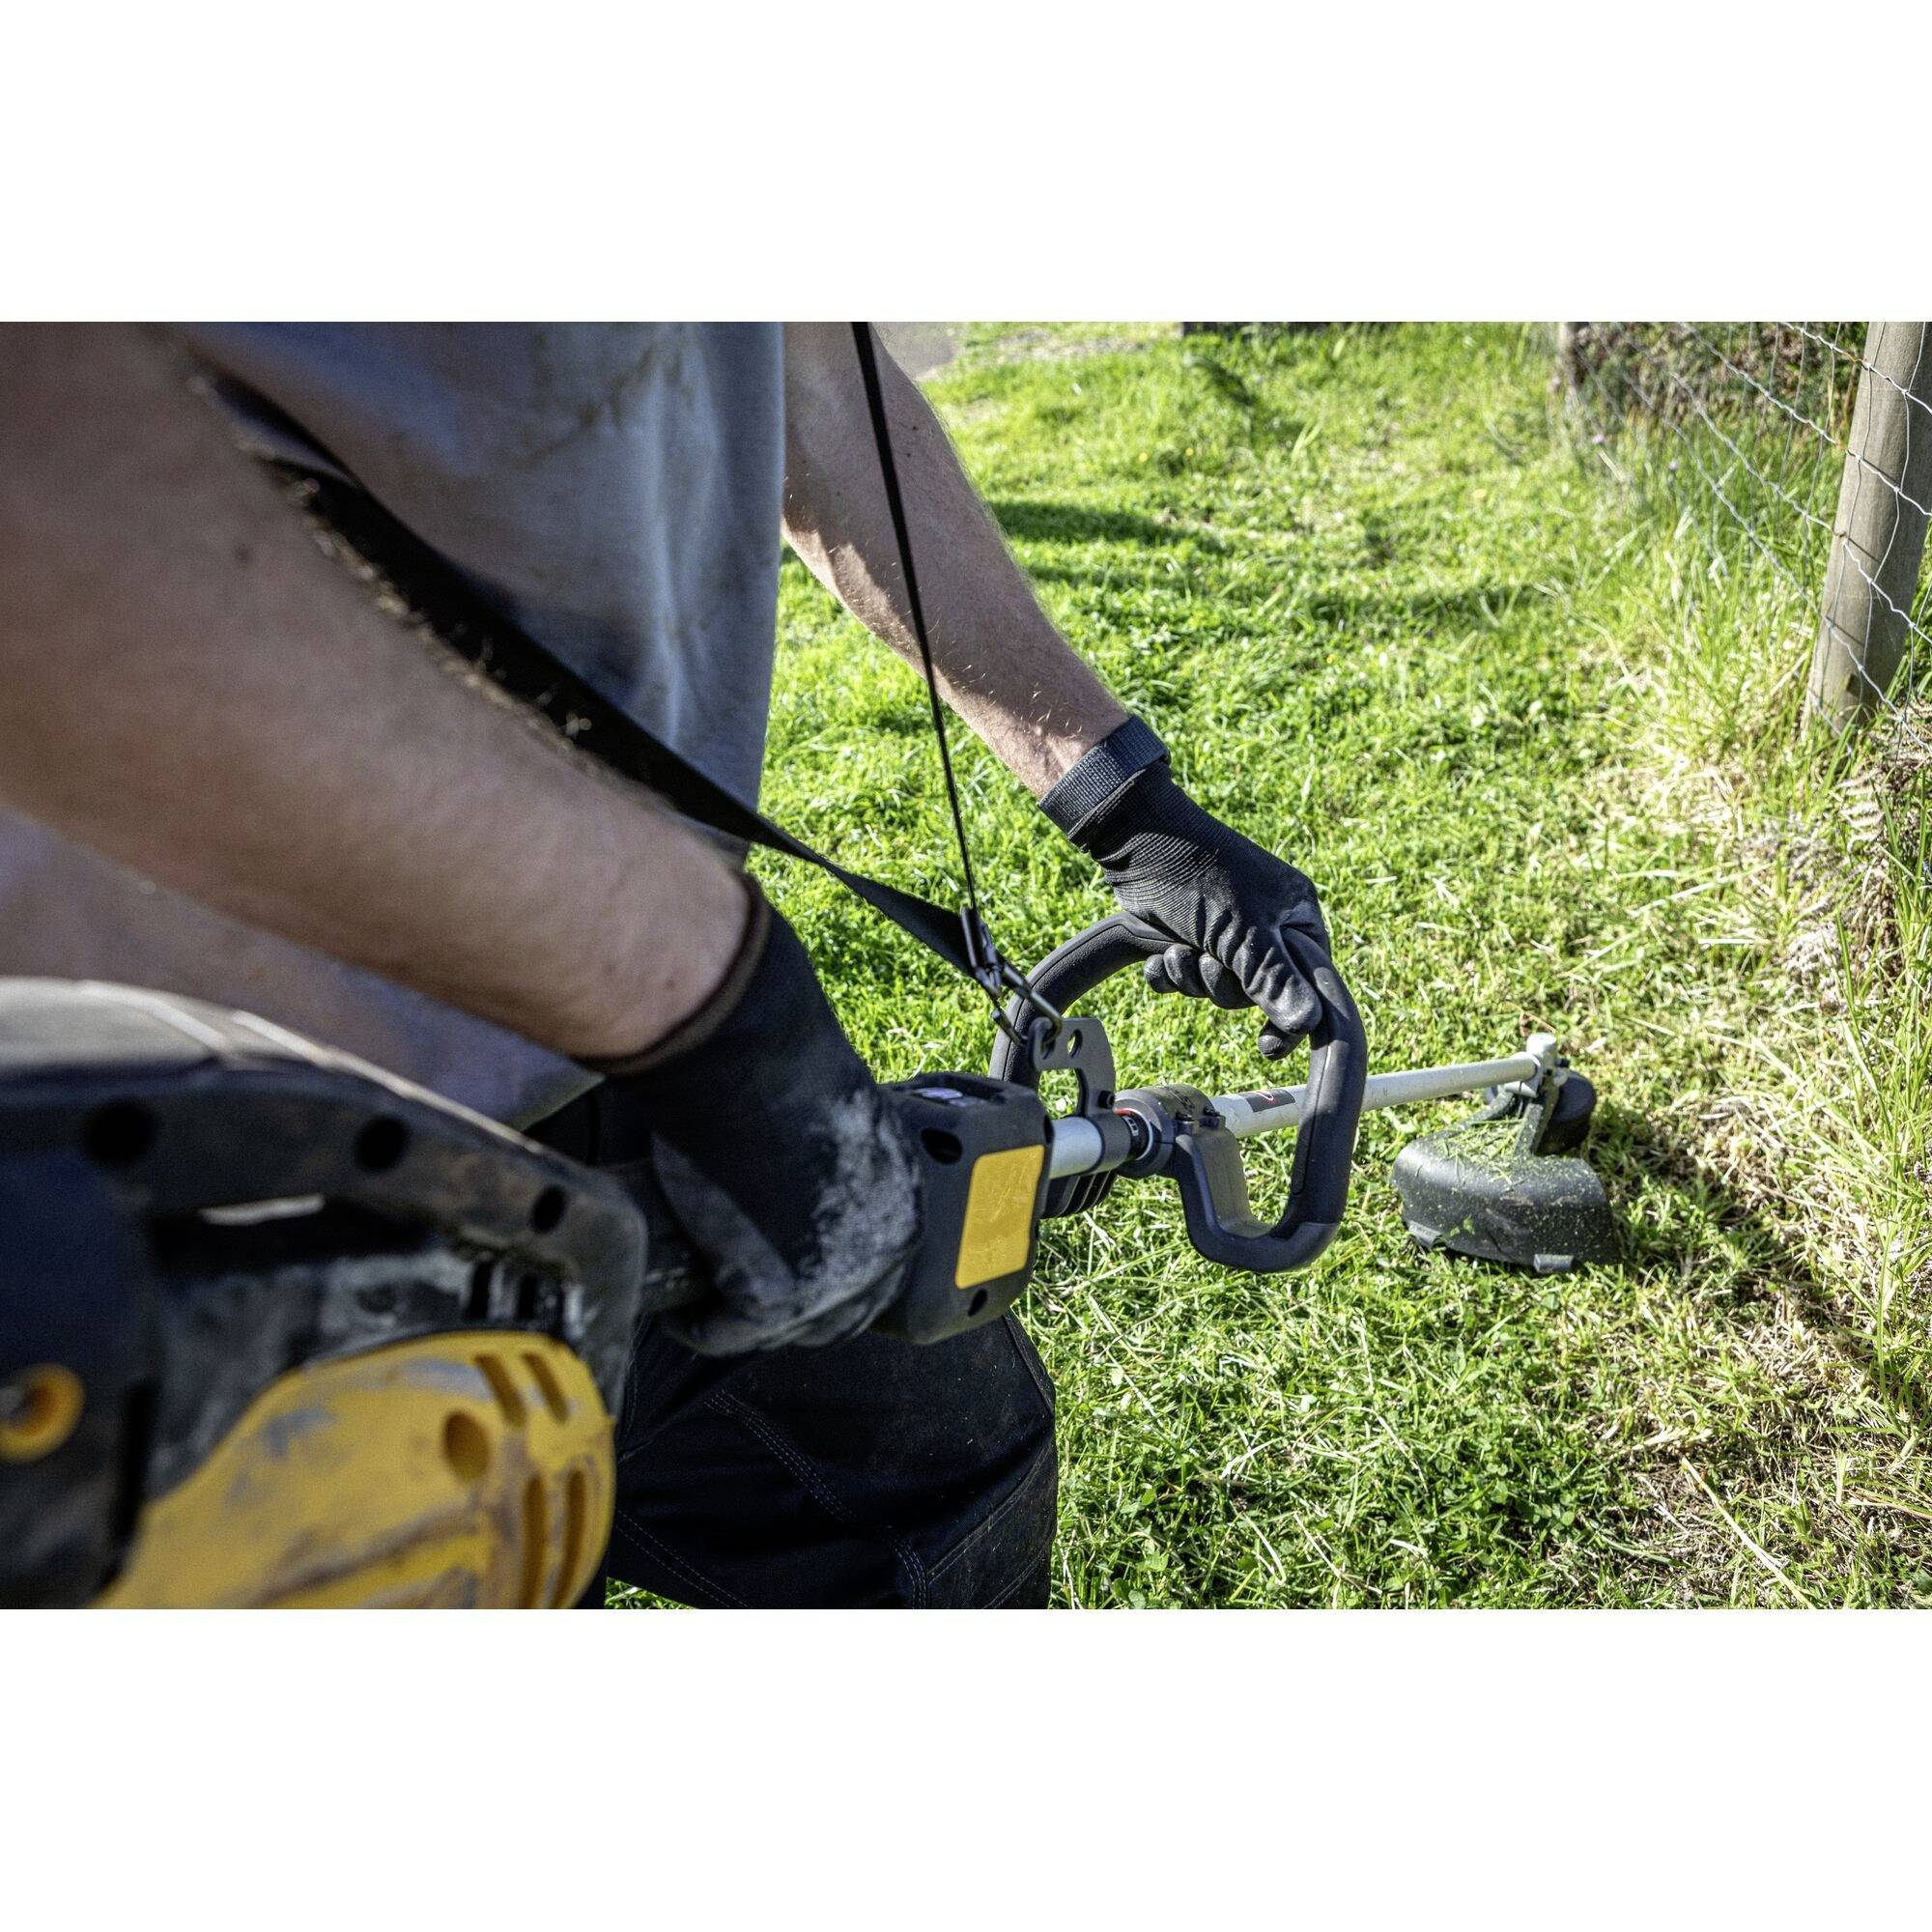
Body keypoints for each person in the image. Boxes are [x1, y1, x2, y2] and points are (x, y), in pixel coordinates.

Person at [0, 324, 1346, 1607]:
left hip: (639, 1090)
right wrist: (706, 1004)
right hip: (198, 1181)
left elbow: (809, 379)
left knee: (949, 1487)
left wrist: (1123, 804)